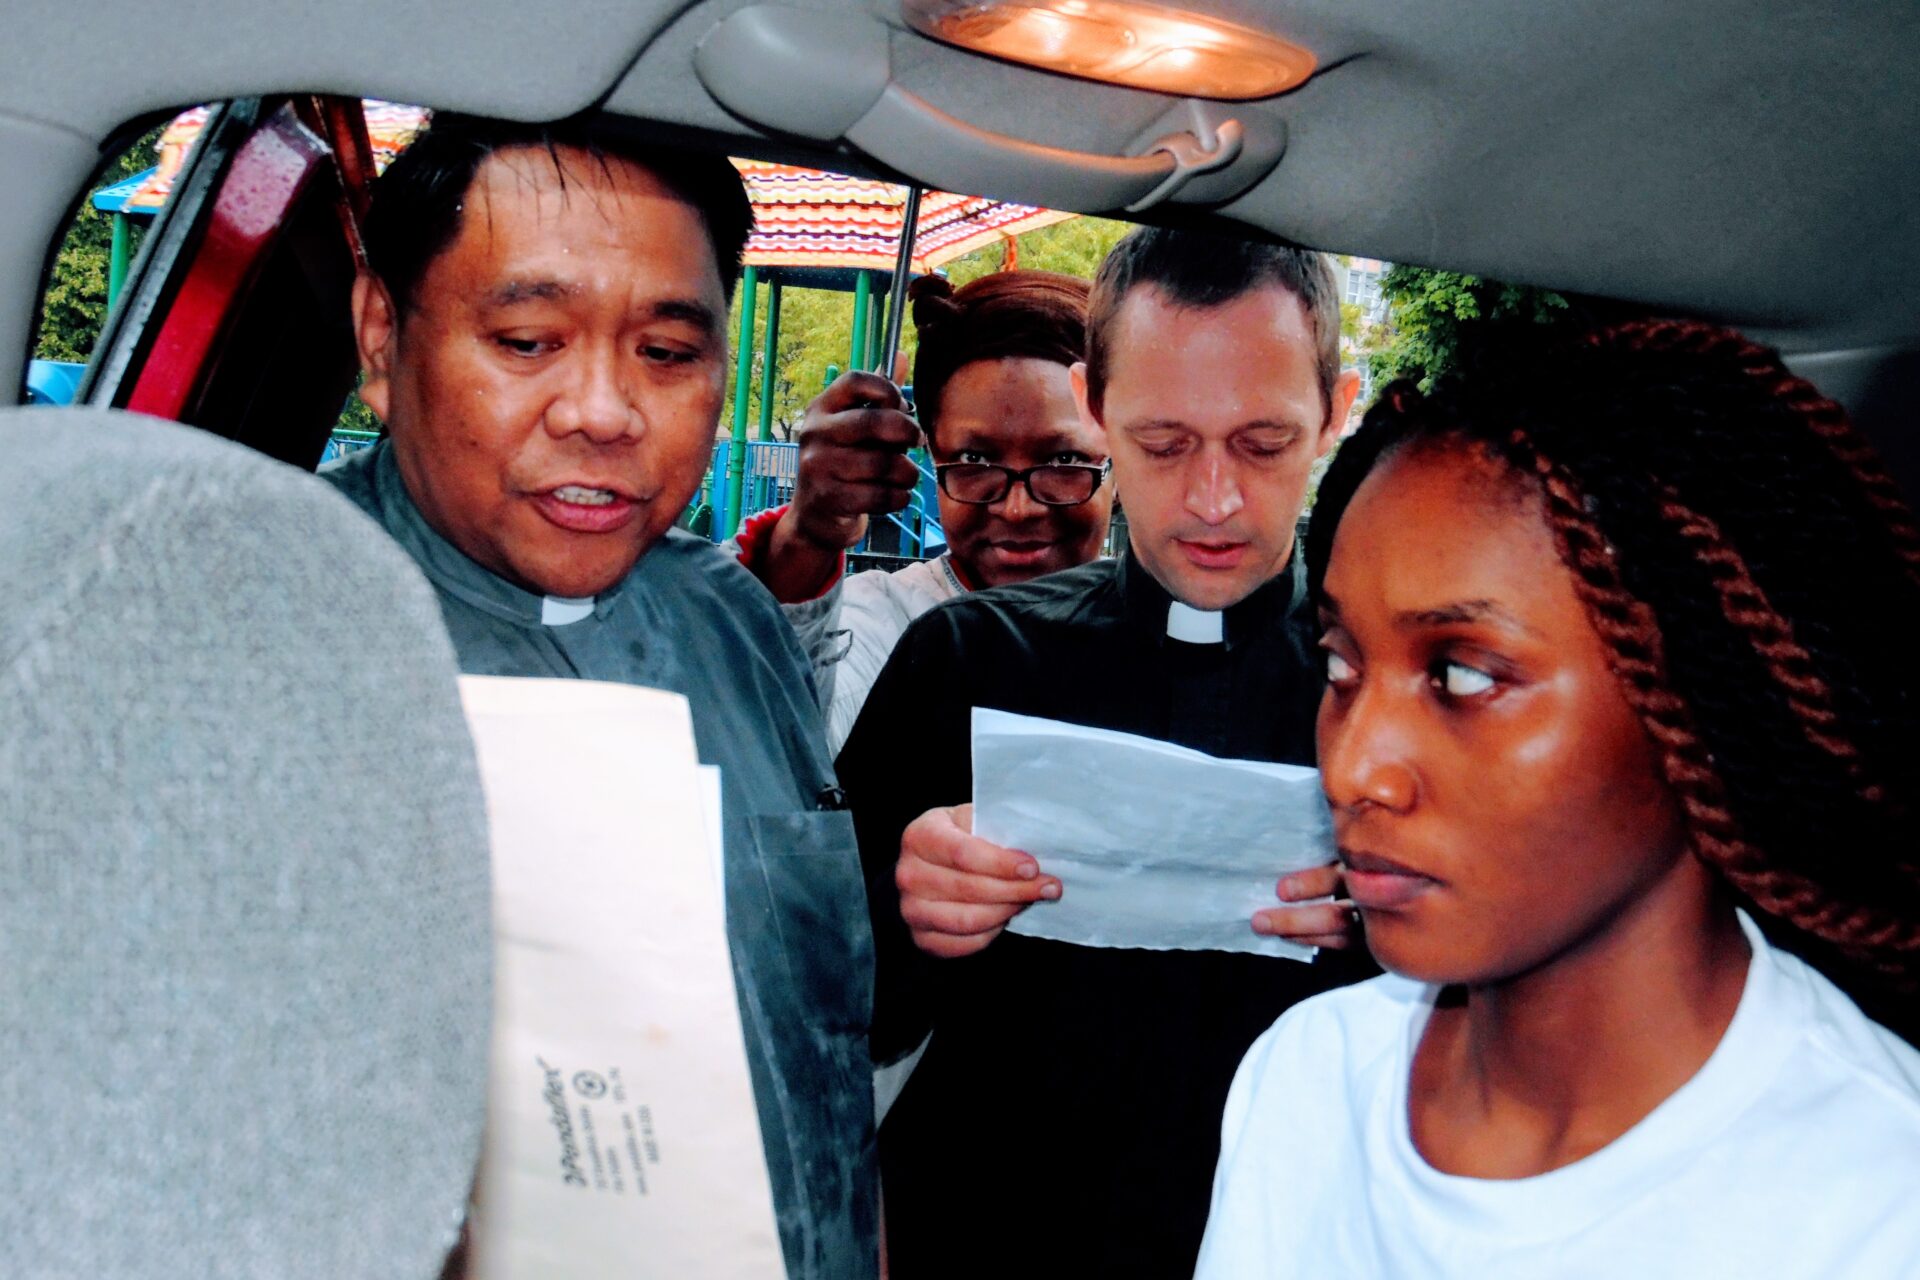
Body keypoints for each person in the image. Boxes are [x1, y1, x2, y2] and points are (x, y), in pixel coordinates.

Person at [1195, 320, 1920, 1277]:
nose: (1354, 769)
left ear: (1694, 703)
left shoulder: (1877, 1204)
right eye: (1341, 664)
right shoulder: (1309, 1078)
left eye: (1461, 677)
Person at [321, 114, 875, 1279]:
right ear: (383, 335)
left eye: (668, 355)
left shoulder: (732, 621)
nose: (605, 411)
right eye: (527, 339)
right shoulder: (271, 643)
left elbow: (813, 1050)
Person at [834, 227, 1366, 1277]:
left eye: (1263, 443)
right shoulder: (971, 655)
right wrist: (906, 902)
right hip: (989, 1235)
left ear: (1335, 414)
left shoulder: (1394, 689)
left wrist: (1405, 921)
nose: (1213, 499)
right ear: (1096, 405)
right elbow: (823, 1005)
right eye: (1163, 443)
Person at [734, 270, 1111, 752]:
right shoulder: (882, 623)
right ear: (931, 452)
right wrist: (810, 534)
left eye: (1065, 461)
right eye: (975, 461)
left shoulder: (1172, 632)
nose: (1018, 509)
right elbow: (772, 735)